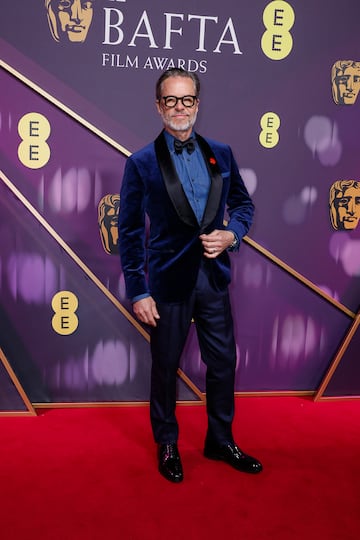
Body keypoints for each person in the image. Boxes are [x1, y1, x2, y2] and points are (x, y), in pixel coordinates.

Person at [118, 67, 262, 483]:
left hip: (213, 278)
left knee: (224, 362)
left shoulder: (222, 152)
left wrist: (231, 235)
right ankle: (167, 444)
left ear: (197, 103)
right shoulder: (141, 163)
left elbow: (244, 207)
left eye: (187, 99)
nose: (179, 108)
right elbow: (128, 232)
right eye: (170, 100)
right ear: (158, 105)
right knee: (165, 366)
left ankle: (220, 439)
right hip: (166, 283)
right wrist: (138, 289)